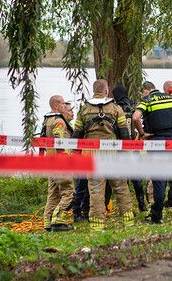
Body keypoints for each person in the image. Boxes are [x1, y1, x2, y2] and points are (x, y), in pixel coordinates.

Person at [72, 79, 135, 232]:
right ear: (106, 91)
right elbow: (124, 135)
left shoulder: (84, 109)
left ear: (94, 91)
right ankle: (128, 221)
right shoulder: (116, 108)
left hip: (91, 155)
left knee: (95, 190)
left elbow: (76, 136)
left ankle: (97, 224)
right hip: (113, 154)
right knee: (121, 187)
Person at [132, 81, 172, 224]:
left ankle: (157, 216)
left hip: (156, 142)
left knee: (159, 180)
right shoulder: (171, 98)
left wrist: (142, 133)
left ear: (146, 91)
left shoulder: (147, 100)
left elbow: (135, 117)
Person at [42, 95, 75, 232]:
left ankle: (47, 222)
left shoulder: (47, 120)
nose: (64, 105)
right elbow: (61, 142)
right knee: (68, 192)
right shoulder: (59, 122)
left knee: (53, 194)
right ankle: (58, 219)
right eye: (62, 103)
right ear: (55, 105)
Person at [112, 85, 147, 212]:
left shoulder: (115, 109)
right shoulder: (134, 108)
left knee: (123, 178)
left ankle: (126, 207)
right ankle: (142, 204)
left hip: (120, 147)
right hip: (134, 145)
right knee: (136, 178)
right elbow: (138, 124)